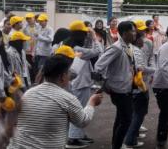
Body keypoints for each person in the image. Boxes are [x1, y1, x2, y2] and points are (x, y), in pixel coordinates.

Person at [7, 53, 103, 149]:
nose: (71, 75)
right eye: (69, 72)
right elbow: (83, 121)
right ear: (62, 76)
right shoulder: (67, 98)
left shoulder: (29, 93)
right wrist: (91, 103)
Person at [94, 21, 137, 149]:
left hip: (126, 88)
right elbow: (98, 67)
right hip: (119, 90)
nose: (135, 33)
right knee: (127, 120)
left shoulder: (127, 47)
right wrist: (105, 85)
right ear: (124, 33)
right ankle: (117, 145)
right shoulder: (116, 48)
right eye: (133, 31)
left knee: (121, 118)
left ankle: (116, 144)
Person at [65, 21, 104, 148]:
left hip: (78, 82)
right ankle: (73, 138)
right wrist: (93, 36)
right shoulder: (78, 49)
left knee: (79, 109)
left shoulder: (69, 45)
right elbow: (98, 50)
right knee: (79, 110)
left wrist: (88, 37)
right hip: (80, 83)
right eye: (84, 34)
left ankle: (79, 135)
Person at [123, 20, 155, 148]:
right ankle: (130, 140)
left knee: (138, 112)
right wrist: (153, 69)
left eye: (144, 32)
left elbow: (151, 58)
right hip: (136, 85)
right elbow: (140, 67)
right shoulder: (132, 49)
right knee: (138, 112)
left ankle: (133, 136)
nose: (143, 36)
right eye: (140, 33)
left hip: (142, 83)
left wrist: (151, 68)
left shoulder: (147, 43)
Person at [33, 14, 53, 82]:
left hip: (45, 53)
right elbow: (37, 41)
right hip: (38, 52)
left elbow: (50, 40)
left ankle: (41, 82)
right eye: (39, 21)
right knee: (38, 69)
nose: (40, 22)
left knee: (41, 69)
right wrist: (34, 52)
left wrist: (39, 36)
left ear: (46, 21)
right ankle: (40, 82)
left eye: (42, 21)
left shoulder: (50, 29)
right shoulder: (39, 28)